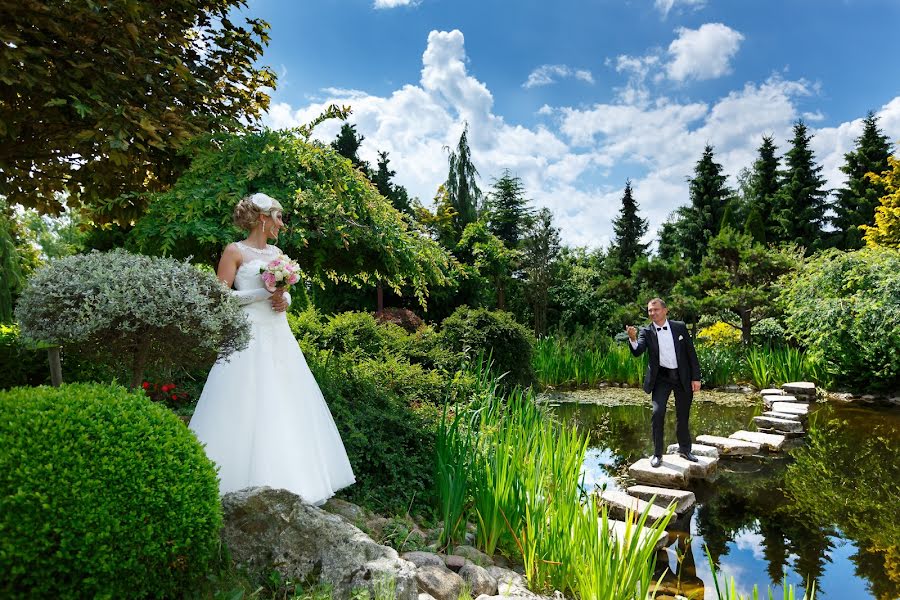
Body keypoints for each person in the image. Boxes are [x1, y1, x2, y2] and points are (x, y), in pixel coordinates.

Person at [189, 192, 355, 503]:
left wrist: (284, 298)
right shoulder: (234, 252)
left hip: (279, 336)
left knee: (285, 404)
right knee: (243, 402)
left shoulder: (278, 254)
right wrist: (262, 296)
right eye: (278, 217)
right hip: (247, 336)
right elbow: (219, 299)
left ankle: (292, 485)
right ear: (263, 218)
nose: (282, 224)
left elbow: (285, 296)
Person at [626, 298, 701, 468]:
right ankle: (657, 454)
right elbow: (638, 351)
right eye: (650, 311)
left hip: (682, 377)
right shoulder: (646, 331)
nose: (652, 313)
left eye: (656, 310)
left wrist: (696, 378)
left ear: (665, 310)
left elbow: (691, 353)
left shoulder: (679, 327)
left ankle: (685, 449)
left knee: (683, 415)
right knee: (657, 413)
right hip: (661, 379)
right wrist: (632, 339)